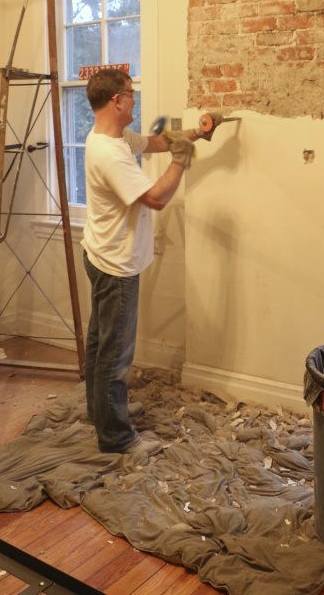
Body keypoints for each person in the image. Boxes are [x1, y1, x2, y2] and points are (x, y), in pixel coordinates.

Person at [81, 67, 196, 460]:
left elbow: (153, 142)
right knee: (114, 356)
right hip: (116, 265)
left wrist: (193, 134)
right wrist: (181, 162)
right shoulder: (110, 155)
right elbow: (157, 199)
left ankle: (102, 413)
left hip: (100, 253)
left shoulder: (111, 137)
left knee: (100, 345)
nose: (134, 98)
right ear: (117, 100)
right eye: (130, 93)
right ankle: (116, 438)